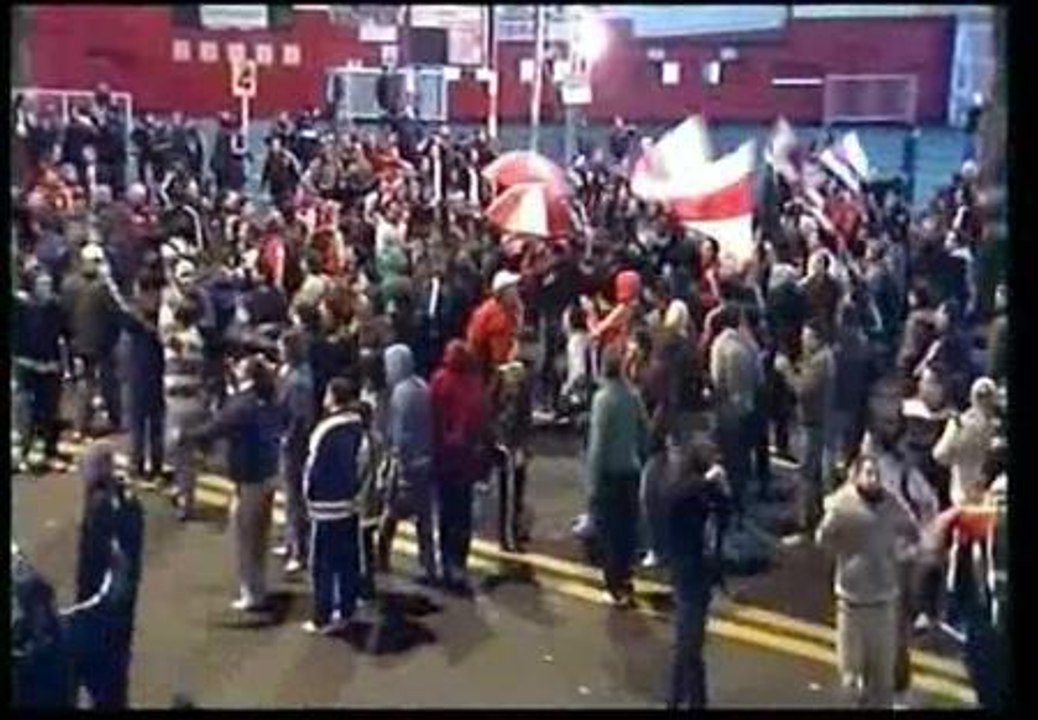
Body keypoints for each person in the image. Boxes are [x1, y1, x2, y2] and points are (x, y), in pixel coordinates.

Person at [816, 452, 921, 709]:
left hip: (884, 602)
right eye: (869, 473)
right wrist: (846, 554)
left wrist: (902, 553)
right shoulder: (842, 504)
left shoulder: (892, 503)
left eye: (878, 474)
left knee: (882, 679)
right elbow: (823, 538)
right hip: (851, 604)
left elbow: (912, 530)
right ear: (856, 476)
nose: (874, 479)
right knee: (851, 680)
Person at [186, 356, 284, 612]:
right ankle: (258, 586)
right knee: (259, 536)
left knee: (245, 537)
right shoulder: (268, 399)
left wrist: (188, 435)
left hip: (249, 476)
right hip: (267, 473)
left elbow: (217, 426)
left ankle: (251, 592)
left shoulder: (242, 404)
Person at [654, 432, 731, 710]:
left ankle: (680, 699)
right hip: (687, 571)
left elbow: (725, 515)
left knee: (689, 643)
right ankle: (688, 699)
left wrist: (722, 490)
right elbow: (676, 499)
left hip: (702, 573)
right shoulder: (683, 489)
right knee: (689, 643)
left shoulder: (705, 490)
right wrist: (708, 482)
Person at [301, 377, 368, 633]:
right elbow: (363, 463)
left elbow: (312, 467)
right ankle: (347, 609)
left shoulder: (325, 429)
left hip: (325, 507)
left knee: (322, 564)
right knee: (348, 560)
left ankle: (323, 616)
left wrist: (309, 496)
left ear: (333, 397)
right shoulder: (359, 427)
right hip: (349, 504)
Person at [587, 346, 650, 607]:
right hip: (631, 471)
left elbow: (598, 444)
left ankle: (614, 586)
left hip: (609, 474)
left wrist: (592, 482)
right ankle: (626, 578)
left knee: (609, 531)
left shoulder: (603, 399)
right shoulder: (633, 396)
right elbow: (644, 432)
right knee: (627, 529)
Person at [431, 339, 488, 594]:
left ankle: (446, 560)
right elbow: (481, 417)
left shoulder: (440, 380)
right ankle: (460, 559)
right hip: (466, 459)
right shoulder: (474, 383)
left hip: (444, 457)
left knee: (445, 510)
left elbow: (433, 416)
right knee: (463, 510)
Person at [376, 343, 436, 583]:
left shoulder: (400, 394)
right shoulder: (422, 386)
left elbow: (399, 433)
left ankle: (381, 556)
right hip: (426, 460)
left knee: (392, 510)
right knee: (424, 517)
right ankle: (428, 564)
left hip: (406, 462)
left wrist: (395, 460)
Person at [775, 322, 836, 542]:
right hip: (817, 421)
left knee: (806, 474)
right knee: (813, 474)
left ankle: (803, 523)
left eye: (807, 336)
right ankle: (813, 515)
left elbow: (802, 389)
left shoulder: (820, 362)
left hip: (814, 424)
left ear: (818, 338)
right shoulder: (821, 358)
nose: (803, 340)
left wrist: (786, 370)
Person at [62, 244, 123, 439]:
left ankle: (81, 425)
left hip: (75, 341)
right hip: (100, 343)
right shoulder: (102, 287)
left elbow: (64, 313)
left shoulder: (69, 284)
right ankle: (109, 419)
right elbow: (116, 313)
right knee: (101, 382)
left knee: (83, 383)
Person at [708, 306, 761, 522]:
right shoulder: (749, 345)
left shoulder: (719, 346)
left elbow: (717, 380)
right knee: (743, 457)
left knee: (729, 457)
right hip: (748, 408)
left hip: (727, 411)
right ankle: (742, 500)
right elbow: (759, 378)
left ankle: (729, 504)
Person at [14, 268, 68, 474]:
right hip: (27, 366)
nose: (47, 288)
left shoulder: (54, 307)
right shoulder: (21, 308)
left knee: (49, 411)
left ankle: (46, 449)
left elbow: (62, 336)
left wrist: (61, 364)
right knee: (26, 411)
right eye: (42, 284)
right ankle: (25, 448)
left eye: (48, 284)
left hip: (50, 366)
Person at [161, 289, 208, 520]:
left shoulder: (183, 341)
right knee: (181, 453)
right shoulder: (196, 338)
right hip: (189, 401)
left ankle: (186, 502)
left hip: (182, 403)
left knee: (182, 454)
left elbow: (167, 337)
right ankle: (181, 490)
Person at [276, 329, 316, 575]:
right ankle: (290, 541)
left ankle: (299, 551)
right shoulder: (289, 372)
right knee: (288, 496)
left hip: (294, 445)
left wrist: (286, 439)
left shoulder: (299, 380)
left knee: (295, 498)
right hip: (286, 438)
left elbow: (300, 419)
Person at [466, 269, 523, 376]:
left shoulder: (502, 308)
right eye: (513, 288)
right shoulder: (495, 316)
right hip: (485, 368)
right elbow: (499, 358)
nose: (517, 291)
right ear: (503, 292)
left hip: (486, 363)